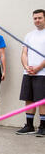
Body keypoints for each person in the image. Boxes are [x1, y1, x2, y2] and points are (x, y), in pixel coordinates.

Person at [15, 9, 45, 137]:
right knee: (28, 98)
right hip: (28, 73)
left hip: (42, 73)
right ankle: (29, 125)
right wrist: (27, 66)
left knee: (41, 100)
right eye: (35, 18)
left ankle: (43, 127)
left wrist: (38, 68)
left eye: (39, 18)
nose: (37, 20)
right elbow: (24, 53)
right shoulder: (29, 35)